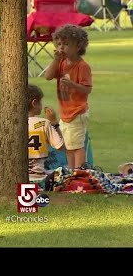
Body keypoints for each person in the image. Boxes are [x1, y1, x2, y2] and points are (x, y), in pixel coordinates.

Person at [44, 24, 92, 169]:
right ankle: (72, 172)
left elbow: (87, 89)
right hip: (65, 112)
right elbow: (48, 76)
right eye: (59, 44)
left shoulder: (82, 66)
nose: (61, 48)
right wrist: (56, 60)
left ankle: (79, 172)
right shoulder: (62, 62)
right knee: (69, 145)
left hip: (77, 111)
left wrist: (72, 85)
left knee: (77, 145)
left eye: (66, 44)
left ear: (78, 46)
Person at [27, 84, 64, 175]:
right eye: (40, 102)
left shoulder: (12, 123)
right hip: (37, 173)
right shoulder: (44, 123)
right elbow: (60, 146)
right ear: (34, 103)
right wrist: (54, 123)